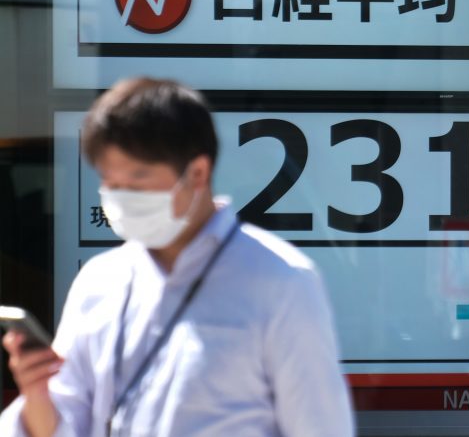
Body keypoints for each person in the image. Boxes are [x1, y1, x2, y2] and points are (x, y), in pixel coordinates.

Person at [0, 77, 355, 436]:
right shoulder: (100, 281)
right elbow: (62, 424)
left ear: (197, 173)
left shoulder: (281, 281)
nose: (121, 196)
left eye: (138, 180)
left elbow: (322, 426)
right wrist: (36, 392)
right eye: (110, 181)